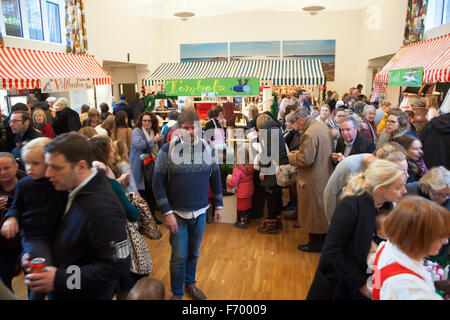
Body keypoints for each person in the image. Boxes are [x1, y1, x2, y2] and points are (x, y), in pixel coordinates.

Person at [24, 132, 131, 299]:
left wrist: (60, 278)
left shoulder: (103, 208)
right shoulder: (69, 187)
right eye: (48, 166)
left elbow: (118, 266)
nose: (48, 174)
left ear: (81, 167)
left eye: (57, 168)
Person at [307, 160, 408, 300]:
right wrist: (360, 283)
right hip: (336, 285)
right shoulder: (351, 206)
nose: (404, 191)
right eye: (398, 187)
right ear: (380, 189)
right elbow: (332, 250)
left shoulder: (381, 205)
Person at [152, 107, 223, 300]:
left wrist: (218, 205)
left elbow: (215, 176)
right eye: (186, 128)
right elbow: (157, 182)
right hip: (176, 214)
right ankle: (177, 293)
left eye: (194, 128)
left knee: (193, 253)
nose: (191, 132)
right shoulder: (167, 150)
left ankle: (190, 284)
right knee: (179, 256)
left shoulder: (208, 148)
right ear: (179, 129)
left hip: (200, 212)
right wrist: (166, 212)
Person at [0, 138, 67, 300]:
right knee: (41, 274)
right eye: (27, 163)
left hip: (57, 235)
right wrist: (11, 219)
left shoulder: (58, 184)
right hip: (34, 236)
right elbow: (16, 207)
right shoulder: (23, 185)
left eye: (35, 164)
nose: (29, 168)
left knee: (55, 277)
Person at [371, 196, 449, 300]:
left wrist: (432, 285)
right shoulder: (409, 284)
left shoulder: (387, 246)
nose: (446, 242)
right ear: (420, 239)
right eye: (441, 238)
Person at [324, 142, 409, 224]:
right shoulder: (349, 166)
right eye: (401, 171)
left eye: (406, 170)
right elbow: (330, 194)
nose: (406, 175)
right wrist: (333, 223)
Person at [288, 107, 333, 252]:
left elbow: (306, 160)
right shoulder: (322, 127)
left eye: (296, 123)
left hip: (312, 178)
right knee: (321, 211)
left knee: (313, 212)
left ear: (300, 119)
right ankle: (322, 241)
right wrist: (301, 152)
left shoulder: (309, 132)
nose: (296, 126)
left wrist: (292, 157)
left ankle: (314, 244)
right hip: (324, 174)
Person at [405, 167, 450, 260]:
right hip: (408, 247)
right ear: (427, 187)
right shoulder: (410, 190)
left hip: (437, 252)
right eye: (438, 194)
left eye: (447, 195)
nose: (443, 199)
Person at [255, 114, 288, 234]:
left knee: (270, 195)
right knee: (276, 194)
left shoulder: (267, 132)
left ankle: (271, 223)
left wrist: (263, 170)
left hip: (271, 168)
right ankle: (277, 220)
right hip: (279, 166)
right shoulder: (276, 129)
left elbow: (266, 153)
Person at [0, 153, 26, 291]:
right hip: (3, 244)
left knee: (33, 280)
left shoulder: (28, 184)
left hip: (26, 240)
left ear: (16, 166)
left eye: (6, 168)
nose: (3, 173)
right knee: (4, 280)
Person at [130, 111, 162, 224]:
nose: (147, 123)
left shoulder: (155, 131)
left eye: (149, 120)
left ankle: (153, 217)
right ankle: (144, 221)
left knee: (151, 194)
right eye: (144, 120)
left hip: (152, 167)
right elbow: (139, 144)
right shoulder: (137, 131)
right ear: (141, 121)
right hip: (140, 168)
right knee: (142, 196)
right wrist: (152, 141)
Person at [226, 147, 254, 229]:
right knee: (247, 205)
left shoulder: (237, 168)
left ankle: (242, 223)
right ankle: (246, 219)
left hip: (242, 191)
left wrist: (228, 182)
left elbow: (234, 182)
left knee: (241, 208)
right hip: (249, 190)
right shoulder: (250, 166)